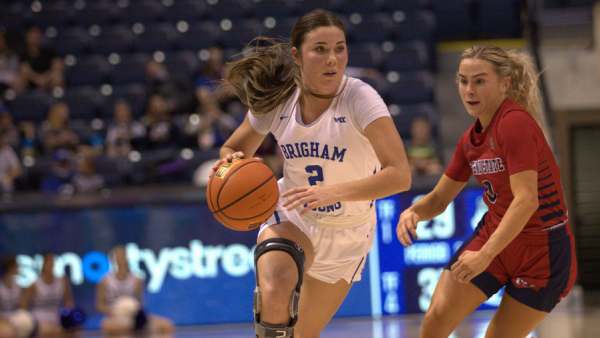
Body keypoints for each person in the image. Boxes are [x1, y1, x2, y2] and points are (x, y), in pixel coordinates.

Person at [211, 9, 411, 337]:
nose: (332, 58)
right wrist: (232, 162)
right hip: (294, 215)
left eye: (339, 48)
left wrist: (332, 192)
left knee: (303, 333)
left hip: (349, 231)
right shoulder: (279, 99)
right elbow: (231, 149)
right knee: (277, 291)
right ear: (297, 55)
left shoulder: (361, 99)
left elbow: (400, 175)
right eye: (320, 49)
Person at [396, 45, 577, 338]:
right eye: (463, 81)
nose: (469, 90)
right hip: (497, 235)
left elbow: (526, 200)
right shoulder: (469, 140)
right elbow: (440, 199)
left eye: (480, 81)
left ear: (504, 83)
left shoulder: (514, 123)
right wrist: (414, 211)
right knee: (435, 320)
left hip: (542, 251)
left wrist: (485, 254)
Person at [96, 246, 174, 336]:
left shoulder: (137, 279)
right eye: (117, 257)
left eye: (122, 256)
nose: (120, 260)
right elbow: (100, 305)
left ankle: (136, 328)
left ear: (127, 258)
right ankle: (134, 329)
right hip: (114, 317)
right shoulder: (105, 280)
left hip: (133, 316)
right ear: (113, 260)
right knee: (109, 327)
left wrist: (133, 313)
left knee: (167, 326)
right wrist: (116, 312)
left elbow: (140, 303)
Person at [20, 252, 77, 336]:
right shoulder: (35, 283)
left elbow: (69, 302)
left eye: (53, 261)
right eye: (48, 262)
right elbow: (24, 304)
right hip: (39, 318)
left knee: (73, 330)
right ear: (43, 264)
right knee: (49, 331)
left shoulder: (63, 281)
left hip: (58, 317)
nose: (51, 264)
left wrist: (70, 317)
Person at [19, 26, 65, 91]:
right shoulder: (23, 55)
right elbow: (25, 70)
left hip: (48, 81)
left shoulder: (49, 52)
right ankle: (21, 100)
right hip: (31, 82)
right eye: (32, 38)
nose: (34, 41)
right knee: (18, 80)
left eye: (36, 38)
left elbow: (58, 65)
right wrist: (38, 79)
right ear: (26, 39)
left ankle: (57, 98)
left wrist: (45, 78)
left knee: (57, 77)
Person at [0, 129, 21, 193]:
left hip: (3, 181)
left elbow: (17, 169)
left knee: (7, 185)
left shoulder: (7, 150)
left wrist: (8, 178)